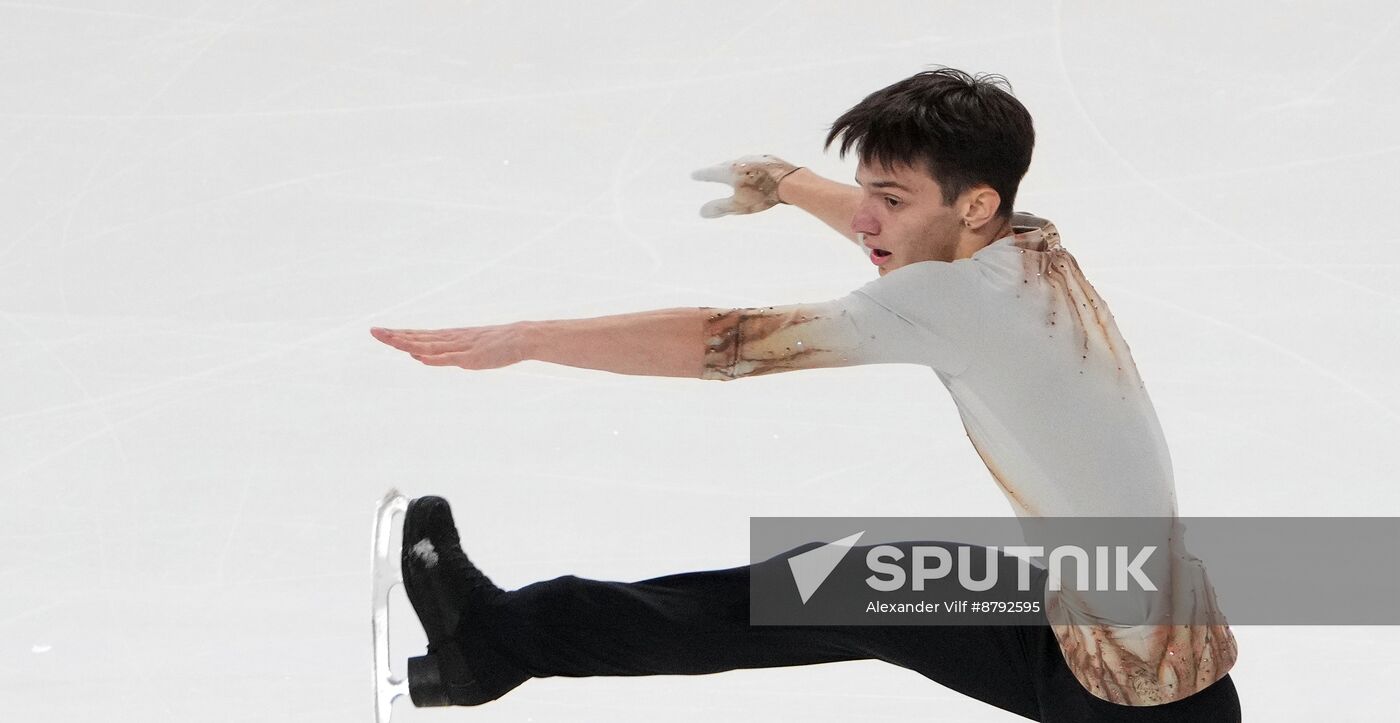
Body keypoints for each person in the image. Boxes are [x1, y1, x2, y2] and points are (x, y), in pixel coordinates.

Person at [369, 67, 1241, 721]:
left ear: (975, 204)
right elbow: (913, 239)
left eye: (888, 198)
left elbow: (723, 342)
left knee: (830, 590)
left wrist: (529, 339)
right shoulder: (1022, 243)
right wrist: (788, 182)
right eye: (865, 192)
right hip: (1110, 631)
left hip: (1135, 698)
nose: (865, 218)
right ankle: (491, 644)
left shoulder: (954, 301)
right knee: (838, 585)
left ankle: (494, 645)